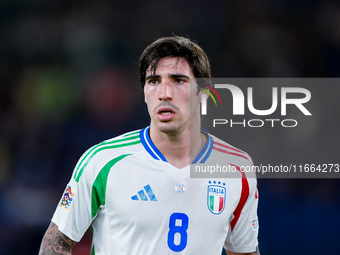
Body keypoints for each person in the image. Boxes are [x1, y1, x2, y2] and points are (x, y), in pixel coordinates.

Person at [39, 36, 259, 255]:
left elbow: (244, 251)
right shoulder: (102, 161)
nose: (164, 94)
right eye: (153, 81)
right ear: (144, 92)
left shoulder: (237, 168)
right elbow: (55, 244)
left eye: (178, 80)